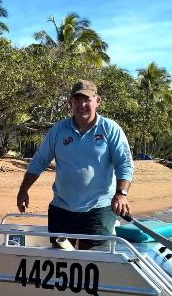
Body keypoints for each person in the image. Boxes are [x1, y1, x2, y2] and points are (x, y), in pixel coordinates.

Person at [16, 80, 134, 249]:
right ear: (70, 102)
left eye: (87, 99)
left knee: (94, 263)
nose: (82, 104)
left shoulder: (110, 129)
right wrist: (23, 190)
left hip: (98, 209)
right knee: (61, 262)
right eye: (77, 99)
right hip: (62, 209)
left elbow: (125, 164)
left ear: (97, 101)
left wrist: (121, 193)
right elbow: (39, 161)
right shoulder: (58, 130)